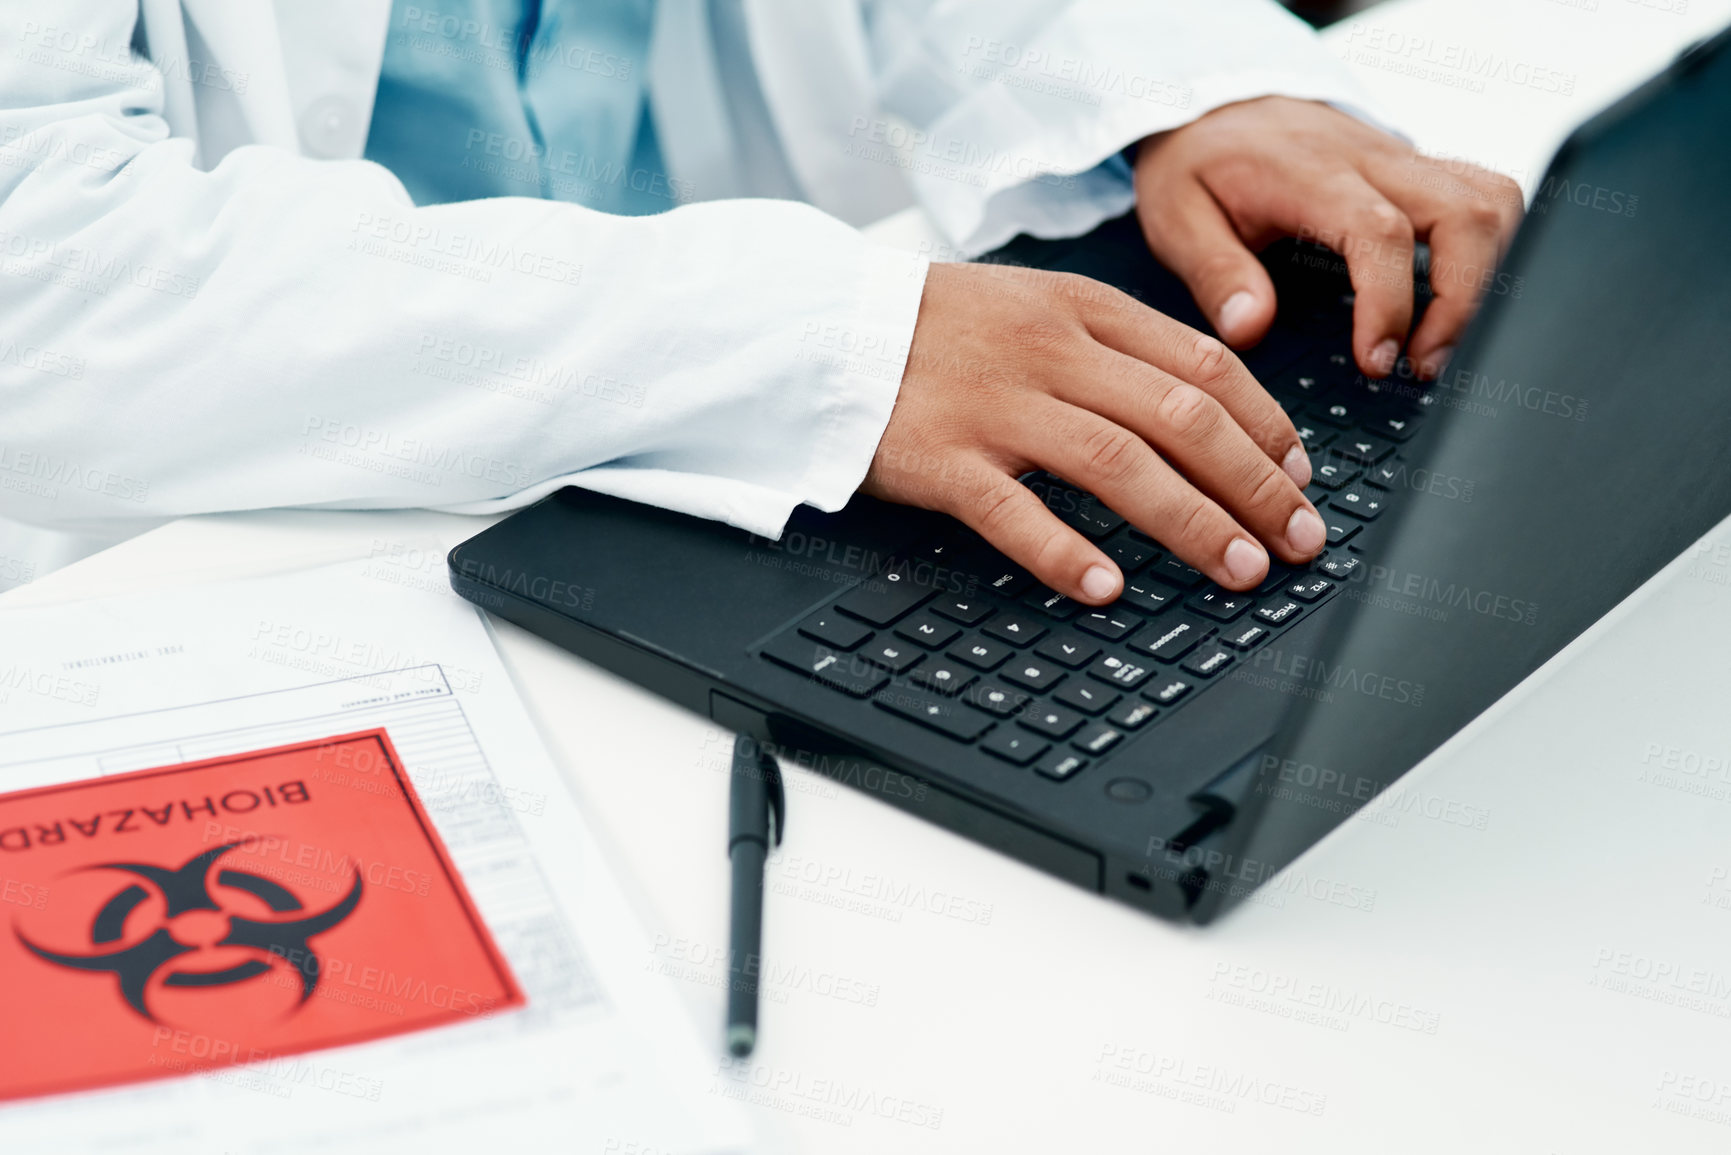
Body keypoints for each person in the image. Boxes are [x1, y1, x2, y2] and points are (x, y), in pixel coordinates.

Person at [0, 1, 1520, 604]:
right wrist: (833, 342)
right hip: (238, 550)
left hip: (749, 511)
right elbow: (47, 285)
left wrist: (1195, 93)